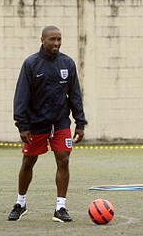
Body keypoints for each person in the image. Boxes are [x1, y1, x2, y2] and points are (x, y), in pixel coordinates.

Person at [8, 26, 87, 223]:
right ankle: (21, 203)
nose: (56, 43)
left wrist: (80, 122)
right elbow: (21, 97)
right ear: (42, 40)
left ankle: (60, 207)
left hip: (60, 122)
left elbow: (75, 94)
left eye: (59, 39)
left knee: (64, 160)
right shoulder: (31, 64)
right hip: (36, 123)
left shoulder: (67, 63)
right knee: (29, 162)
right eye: (52, 39)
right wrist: (22, 125)